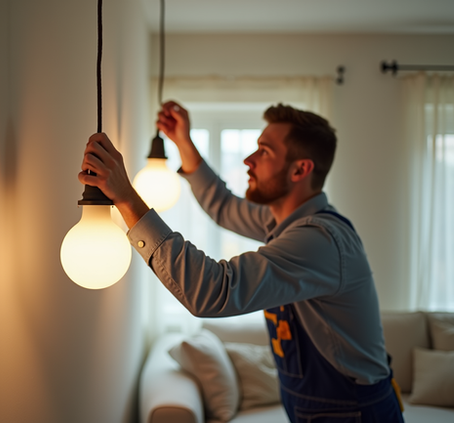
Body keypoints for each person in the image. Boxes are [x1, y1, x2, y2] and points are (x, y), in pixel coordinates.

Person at [78, 101, 405, 422]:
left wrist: (127, 198)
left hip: (355, 412)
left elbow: (214, 290)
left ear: (300, 169)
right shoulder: (284, 220)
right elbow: (222, 205)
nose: (249, 160)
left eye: (264, 151)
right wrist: (183, 143)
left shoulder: (318, 241)